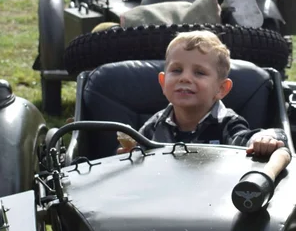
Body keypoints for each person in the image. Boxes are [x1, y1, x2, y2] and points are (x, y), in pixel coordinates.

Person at [118, 31, 286, 156]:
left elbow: (246, 139)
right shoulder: (155, 124)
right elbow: (137, 155)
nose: (184, 78)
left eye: (199, 73)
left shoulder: (227, 123)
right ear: (163, 83)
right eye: (176, 70)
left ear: (221, 89)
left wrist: (264, 140)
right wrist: (130, 154)